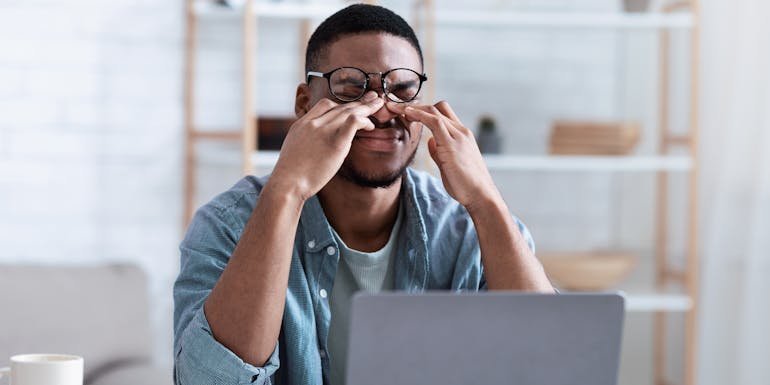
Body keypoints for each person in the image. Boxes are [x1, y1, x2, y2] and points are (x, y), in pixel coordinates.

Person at [173, 4, 554, 385]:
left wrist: (485, 201)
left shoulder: (469, 228)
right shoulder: (227, 224)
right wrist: (287, 191)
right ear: (305, 104)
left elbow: (552, 363)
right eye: (353, 89)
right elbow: (207, 380)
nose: (383, 111)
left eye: (402, 90)